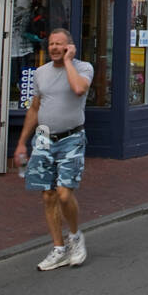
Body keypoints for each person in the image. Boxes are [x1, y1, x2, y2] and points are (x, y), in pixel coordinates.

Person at [14, 29, 93, 271]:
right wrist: (21, 142)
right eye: (51, 44)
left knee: (64, 194)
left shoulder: (83, 67)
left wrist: (68, 61)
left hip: (72, 138)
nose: (54, 48)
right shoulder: (41, 73)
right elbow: (35, 109)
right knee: (47, 195)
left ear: (70, 46)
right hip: (44, 140)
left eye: (60, 44)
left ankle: (75, 237)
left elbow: (79, 89)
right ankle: (59, 248)